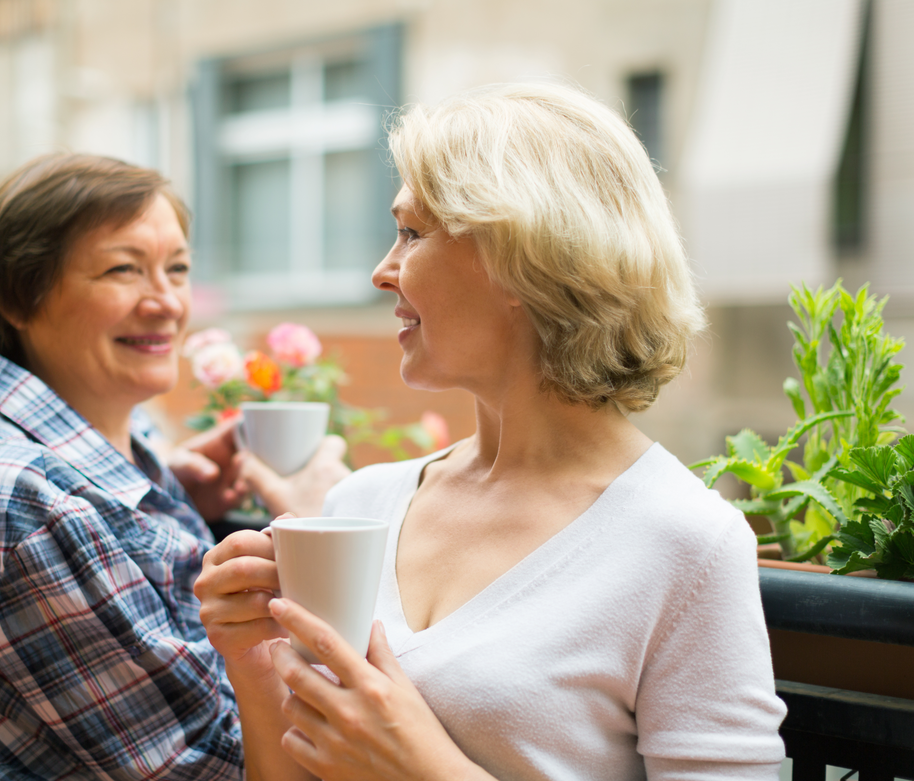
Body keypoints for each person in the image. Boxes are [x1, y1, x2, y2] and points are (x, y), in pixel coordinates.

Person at [194, 82, 788, 781]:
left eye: (412, 233)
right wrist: (252, 661)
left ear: (523, 256)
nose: (382, 272)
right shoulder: (361, 505)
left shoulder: (685, 543)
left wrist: (425, 769)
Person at [0, 153, 348, 779]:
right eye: (124, 269)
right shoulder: (22, 502)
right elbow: (219, 770)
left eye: (176, 269)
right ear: (17, 296)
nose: (166, 303)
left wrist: (171, 492)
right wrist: (316, 526)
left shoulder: (63, 435)